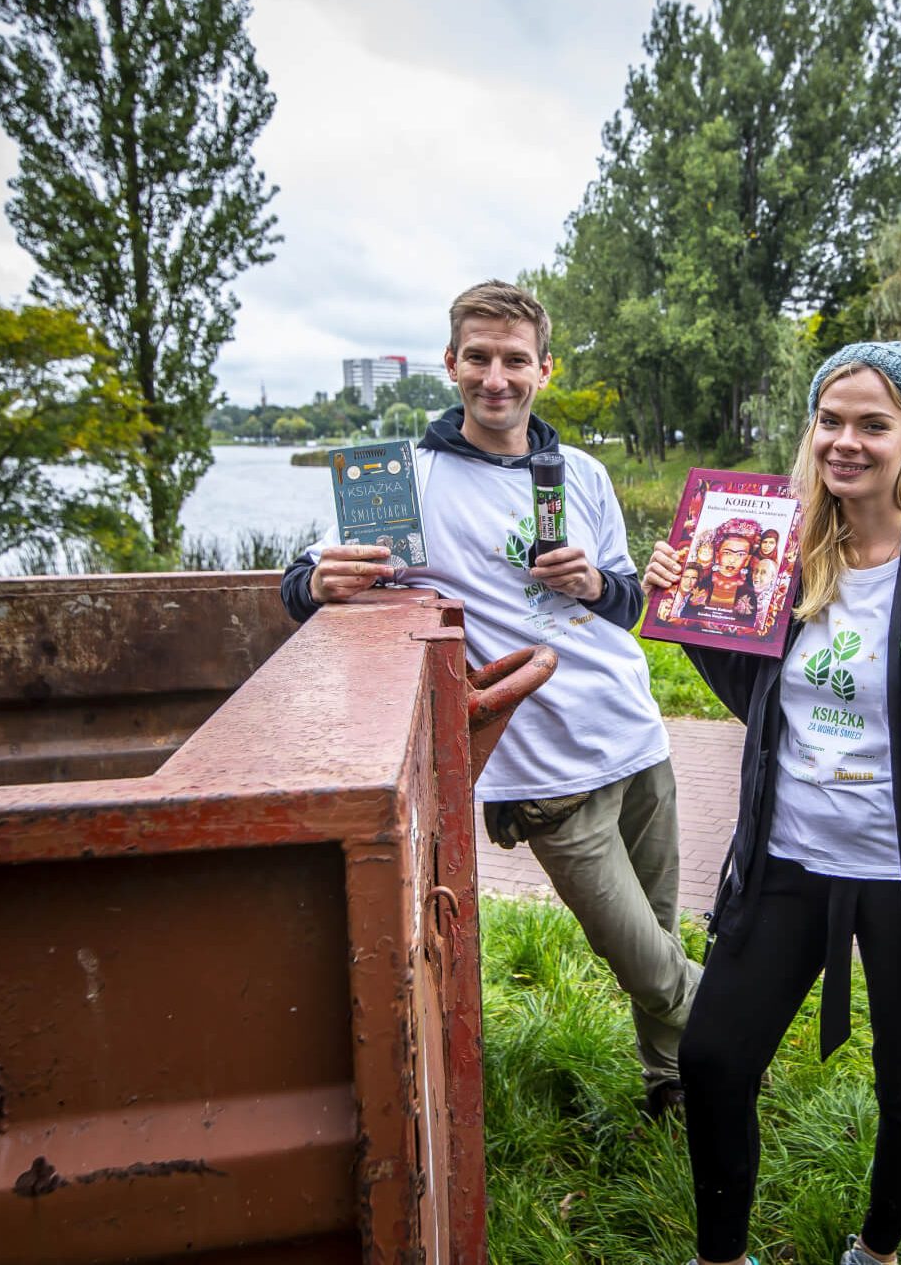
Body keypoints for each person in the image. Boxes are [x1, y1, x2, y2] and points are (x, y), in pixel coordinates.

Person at [284, 280, 701, 1118]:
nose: (496, 377)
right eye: (479, 357)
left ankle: (674, 1087)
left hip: (635, 735)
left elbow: (625, 605)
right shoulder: (408, 481)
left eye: (515, 360)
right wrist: (313, 583)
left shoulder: (579, 473)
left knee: (659, 935)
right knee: (645, 962)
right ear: (451, 364)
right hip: (542, 768)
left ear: (544, 369)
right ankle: (740, 1026)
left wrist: (593, 581)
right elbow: (308, 579)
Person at [640, 341, 901, 1265]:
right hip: (789, 857)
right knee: (715, 1058)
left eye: (872, 424)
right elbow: (756, 700)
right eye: (830, 420)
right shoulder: (784, 542)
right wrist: (695, 613)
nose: (845, 442)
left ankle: (876, 1253)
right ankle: (723, 1257)